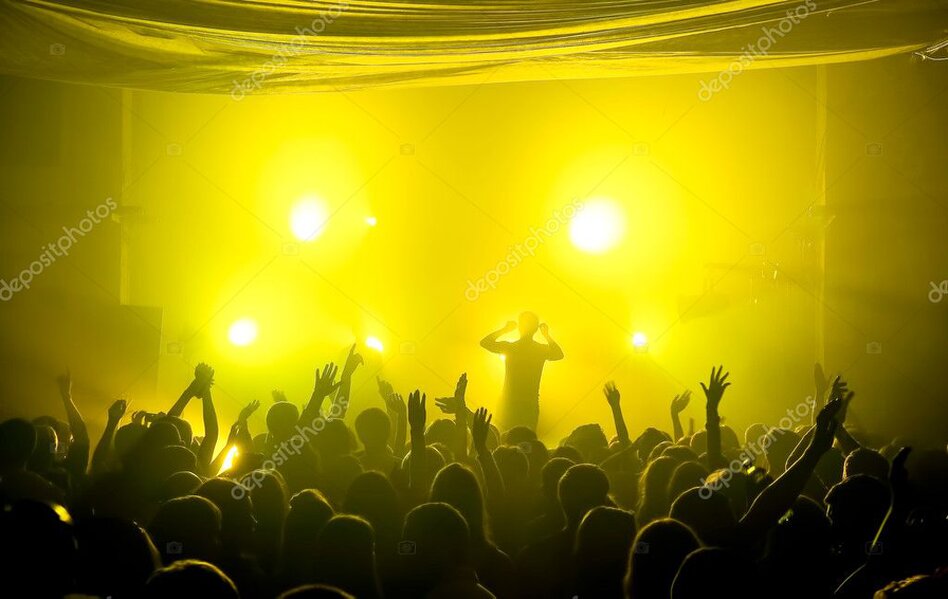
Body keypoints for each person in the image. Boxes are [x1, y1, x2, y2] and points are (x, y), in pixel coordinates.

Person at [480, 313, 563, 430]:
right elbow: (558, 354)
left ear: (519, 327)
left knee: (504, 440)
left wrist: (505, 330)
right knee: (526, 440)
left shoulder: (511, 348)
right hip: (528, 404)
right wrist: (546, 335)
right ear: (535, 329)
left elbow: (485, 342)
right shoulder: (540, 350)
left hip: (509, 403)